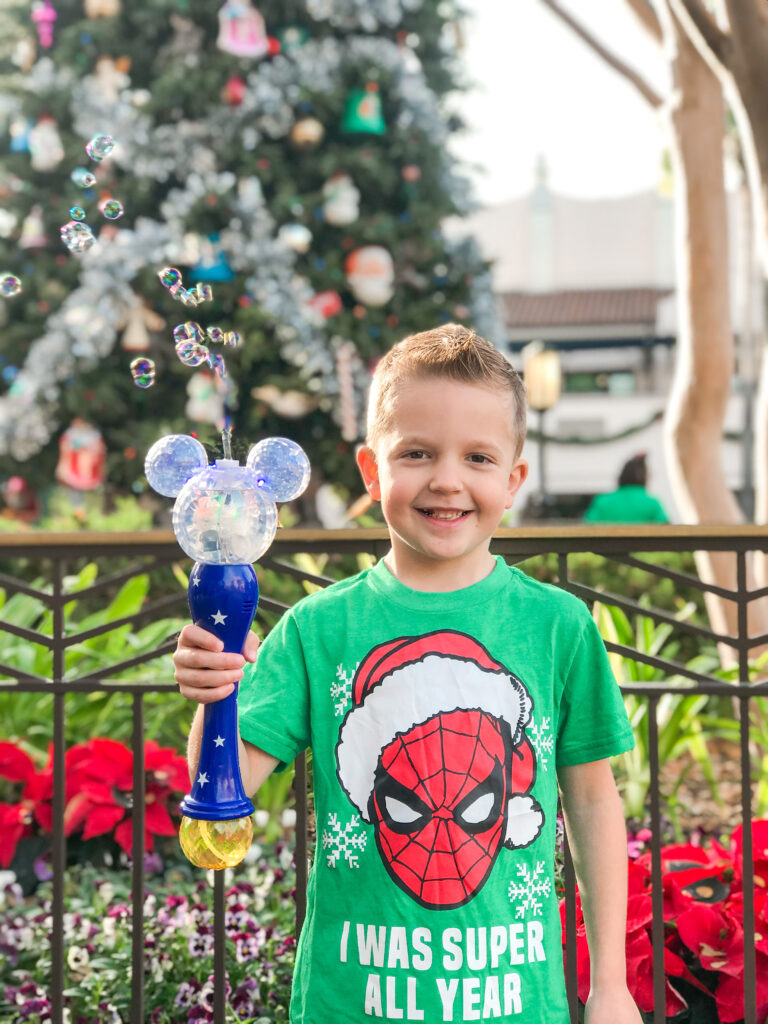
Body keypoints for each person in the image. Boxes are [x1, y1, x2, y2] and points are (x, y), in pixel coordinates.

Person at [174, 324, 642, 1024]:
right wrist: (216, 694)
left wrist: (610, 985)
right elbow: (226, 785)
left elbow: (595, 804)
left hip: (521, 1007)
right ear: (372, 472)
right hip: (348, 1006)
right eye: (417, 453)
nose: (447, 479)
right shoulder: (317, 629)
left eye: (478, 457)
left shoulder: (558, 627)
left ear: (513, 480)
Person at [583, 453, 668, 524]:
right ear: (644, 478)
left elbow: (587, 526)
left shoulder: (602, 501)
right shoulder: (652, 503)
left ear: (621, 476)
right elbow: (666, 529)